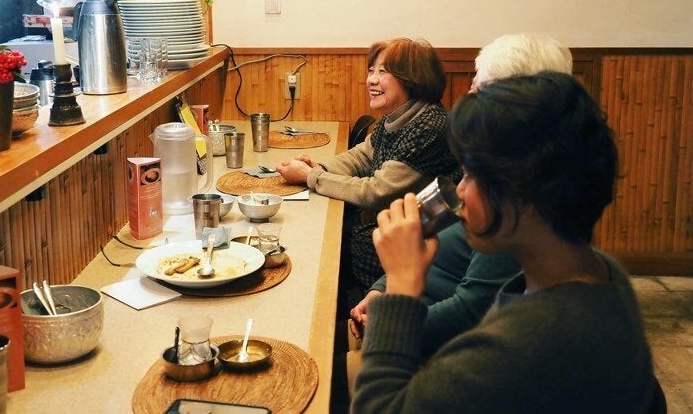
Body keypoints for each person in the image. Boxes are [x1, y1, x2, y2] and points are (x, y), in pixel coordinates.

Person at [351, 71, 664, 413]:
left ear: (525, 196)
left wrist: (400, 288)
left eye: (472, 175)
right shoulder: (599, 269)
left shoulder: (533, 341)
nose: (460, 191)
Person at [338, 33, 573, 401]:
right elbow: (437, 236)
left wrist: (393, 313)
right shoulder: (498, 170)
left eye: (480, 84)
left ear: (519, 103)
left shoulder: (518, 203)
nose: (470, 92)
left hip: (434, 346)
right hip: (413, 306)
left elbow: (472, 310)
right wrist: (383, 289)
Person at [277, 37, 461, 293]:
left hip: (398, 258)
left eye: (383, 72)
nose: (371, 80)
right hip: (377, 240)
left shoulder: (429, 126)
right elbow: (362, 156)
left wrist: (311, 177)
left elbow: (377, 191)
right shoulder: (397, 116)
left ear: (412, 79)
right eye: (371, 70)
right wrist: (319, 168)